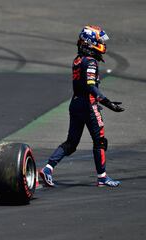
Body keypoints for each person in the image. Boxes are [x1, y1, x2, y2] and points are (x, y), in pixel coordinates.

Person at [39, 26, 124, 187]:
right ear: (91, 43)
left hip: (75, 104)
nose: (102, 44)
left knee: (71, 143)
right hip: (88, 105)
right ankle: (102, 178)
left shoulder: (77, 60)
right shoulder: (90, 61)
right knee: (99, 141)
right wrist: (108, 102)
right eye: (99, 41)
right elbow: (91, 85)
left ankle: (48, 168)